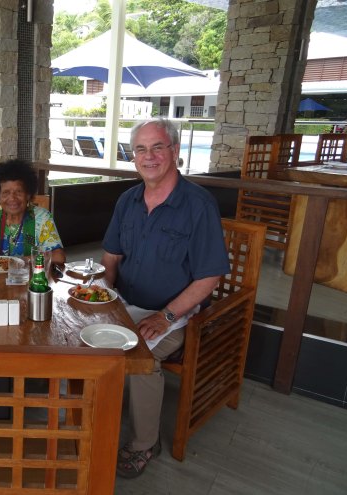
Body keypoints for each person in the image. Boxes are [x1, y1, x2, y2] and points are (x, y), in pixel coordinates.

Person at [101, 119, 230, 478]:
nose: (149, 156)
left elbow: (209, 276)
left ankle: (144, 443)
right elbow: (111, 256)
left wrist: (165, 317)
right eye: (141, 149)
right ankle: (92, 420)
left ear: (175, 151)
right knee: (80, 334)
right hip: (125, 304)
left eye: (158, 147)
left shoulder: (198, 205)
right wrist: (104, 298)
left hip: (175, 314)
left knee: (141, 356)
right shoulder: (127, 200)